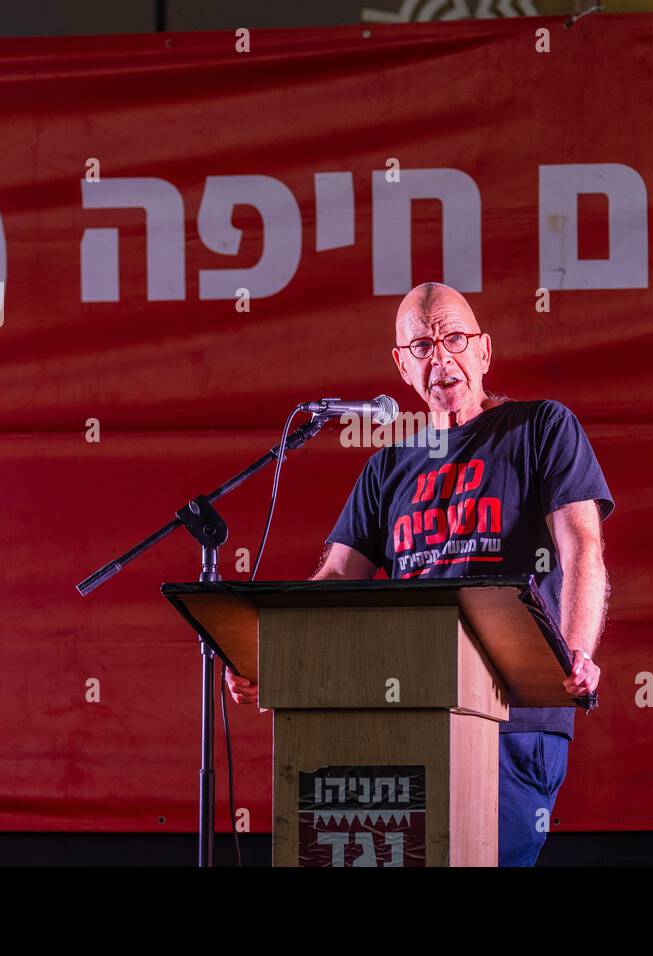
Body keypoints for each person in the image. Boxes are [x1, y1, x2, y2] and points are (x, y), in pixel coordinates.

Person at [226, 282, 614, 866]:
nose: (441, 358)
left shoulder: (540, 429)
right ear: (402, 366)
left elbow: (583, 544)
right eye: (422, 346)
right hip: (404, 713)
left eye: (454, 339)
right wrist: (275, 658)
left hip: (511, 715)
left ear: (484, 350)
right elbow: (336, 576)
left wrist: (577, 650)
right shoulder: (388, 467)